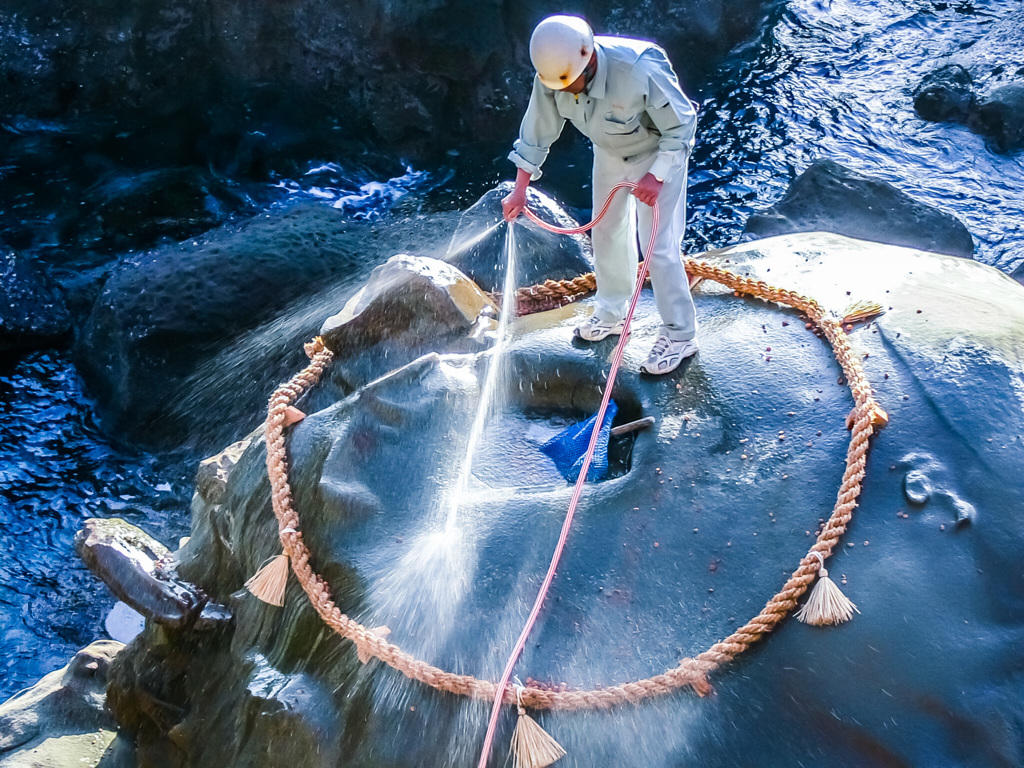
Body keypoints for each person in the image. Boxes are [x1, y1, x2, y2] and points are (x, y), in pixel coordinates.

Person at [502, 15, 699, 375]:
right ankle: (611, 310)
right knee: (606, 231)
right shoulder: (554, 75)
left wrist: (657, 177)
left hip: (658, 154)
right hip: (608, 153)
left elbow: (682, 124)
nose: (562, 91)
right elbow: (535, 134)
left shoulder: (639, 68)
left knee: (657, 246)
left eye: (568, 83)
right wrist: (519, 191)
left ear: (589, 60)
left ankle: (681, 334)